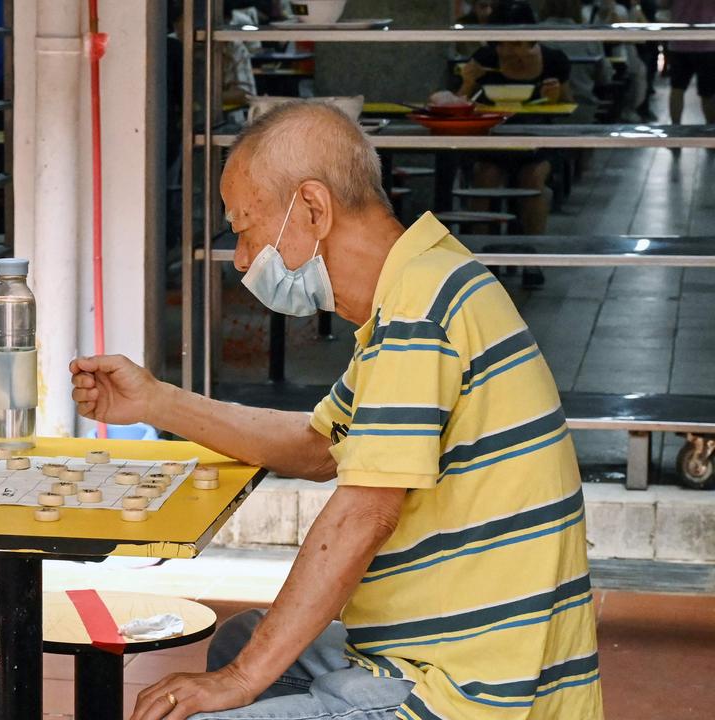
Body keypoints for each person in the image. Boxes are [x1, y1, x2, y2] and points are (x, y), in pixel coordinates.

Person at [70, 101, 602, 720]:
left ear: (314, 209)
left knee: (233, 680)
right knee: (248, 634)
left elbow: (363, 513)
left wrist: (241, 682)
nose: (242, 260)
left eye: (245, 228)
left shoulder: (419, 312)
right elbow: (318, 446)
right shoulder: (422, 284)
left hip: (470, 688)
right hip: (431, 647)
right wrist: (158, 400)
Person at [456, 0, 571, 238]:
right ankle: (480, 253)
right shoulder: (485, 60)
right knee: (484, 176)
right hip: (493, 140)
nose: (511, 51)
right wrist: (468, 82)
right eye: (503, 44)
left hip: (539, 141)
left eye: (518, 42)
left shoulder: (553, 60)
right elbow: (457, 103)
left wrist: (556, 96)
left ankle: (532, 255)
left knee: (533, 178)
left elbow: (570, 106)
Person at [666, 0, 715, 126]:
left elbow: (663, 4)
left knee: (677, 89)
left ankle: (675, 129)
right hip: (707, 44)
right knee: (708, 93)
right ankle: (710, 134)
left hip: (679, 42)